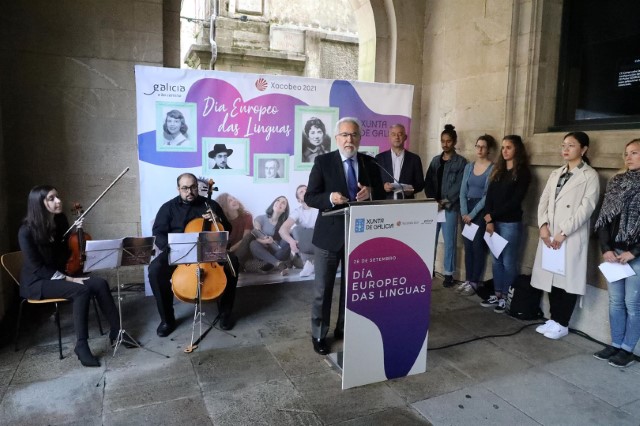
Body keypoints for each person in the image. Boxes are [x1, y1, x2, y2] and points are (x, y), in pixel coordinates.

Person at [304, 117, 385, 355]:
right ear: (337, 138)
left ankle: (344, 328)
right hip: (328, 238)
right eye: (345, 135)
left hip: (359, 236)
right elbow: (310, 197)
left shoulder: (370, 163)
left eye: (354, 135)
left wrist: (370, 192)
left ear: (360, 138)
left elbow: (380, 192)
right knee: (323, 290)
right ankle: (319, 334)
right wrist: (330, 198)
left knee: (353, 288)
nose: (349, 140)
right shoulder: (323, 161)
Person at [18, 185, 124, 367]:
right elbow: (38, 268)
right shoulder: (25, 231)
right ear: (39, 204)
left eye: (57, 197)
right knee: (81, 291)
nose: (58, 201)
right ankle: (81, 346)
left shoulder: (59, 222)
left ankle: (117, 332)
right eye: (51, 198)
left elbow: (64, 254)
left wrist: (75, 236)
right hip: (37, 282)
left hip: (58, 274)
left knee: (100, 283)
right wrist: (71, 279)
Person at [148, 173, 239, 336]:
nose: (189, 191)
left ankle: (225, 313)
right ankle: (167, 319)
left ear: (197, 187)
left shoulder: (210, 205)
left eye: (193, 187)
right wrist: (171, 247)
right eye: (185, 188)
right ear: (178, 189)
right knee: (155, 269)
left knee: (233, 261)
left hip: (210, 250)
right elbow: (158, 233)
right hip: (179, 252)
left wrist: (217, 220)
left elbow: (227, 229)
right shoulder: (168, 208)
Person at [530, 132, 599, 340]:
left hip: (569, 235)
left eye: (571, 145)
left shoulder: (589, 176)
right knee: (552, 276)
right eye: (563, 145)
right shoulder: (556, 174)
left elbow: (586, 209)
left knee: (567, 280)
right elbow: (543, 201)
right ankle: (553, 318)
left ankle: (563, 322)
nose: (566, 149)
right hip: (550, 234)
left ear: (584, 149)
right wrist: (542, 225)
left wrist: (563, 232)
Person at [592, 138, 640, 367]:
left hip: (635, 256)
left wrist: (634, 252)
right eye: (626, 153)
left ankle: (628, 349)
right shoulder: (616, 182)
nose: (628, 157)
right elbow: (604, 219)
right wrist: (606, 249)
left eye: (634, 153)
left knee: (633, 304)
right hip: (615, 252)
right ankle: (616, 343)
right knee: (615, 301)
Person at [481, 135, 531, 313]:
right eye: (503, 147)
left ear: (517, 149)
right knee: (496, 261)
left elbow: (515, 201)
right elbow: (489, 196)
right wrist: (490, 218)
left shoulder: (522, 172)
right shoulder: (498, 170)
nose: (504, 151)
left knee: (508, 261)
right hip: (494, 222)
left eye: (508, 147)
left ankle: (507, 297)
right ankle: (497, 294)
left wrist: (491, 216)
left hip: (510, 223)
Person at [424, 124, 467, 287]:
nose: (445, 144)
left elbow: (459, 186)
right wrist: (432, 201)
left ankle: (448, 273)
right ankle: (429, 269)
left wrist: (444, 202)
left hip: (449, 208)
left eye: (448, 141)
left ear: (454, 142)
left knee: (449, 241)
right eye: (443, 141)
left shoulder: (461, 162)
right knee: (430, 240)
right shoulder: (435, 160)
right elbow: (428, 182)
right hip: (433, 207)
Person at [458, 134, 496, 296]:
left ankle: (475, 281)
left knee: (477, 247)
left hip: (480, 211)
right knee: (468, 247)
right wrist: (464, 211)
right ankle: (467, 280)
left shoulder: (492, 168)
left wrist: (472, 214)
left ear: (488, 150)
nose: (479, 149)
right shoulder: (469, 167)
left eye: (483, 147)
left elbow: (487, 195)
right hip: (466, 208)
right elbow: (462, 191)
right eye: (477, 146)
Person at [374, 123, 425, 200]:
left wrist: (411, 189)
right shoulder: (379, 158)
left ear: (405, 137)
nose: (397, 137)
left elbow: (420, 184)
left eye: (400, 134)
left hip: (406, 204)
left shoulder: (414, 159)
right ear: (389, 137)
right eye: (393, 134)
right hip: (385, 203)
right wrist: (383, 187)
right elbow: (374, 182)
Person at [279, 185, 319, 277]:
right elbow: (282, 230)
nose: (305, 191)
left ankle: (311, 264)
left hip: (322, 241)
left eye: (306, 189)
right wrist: (291, 241)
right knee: (296, 229)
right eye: (301, 192)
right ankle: (309, 263)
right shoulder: (298, 212)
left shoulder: (320, 207)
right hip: (307, 245)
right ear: (299, 200)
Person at [250, 196, 291, 274]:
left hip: (277, 251)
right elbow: (256, 232)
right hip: (262, 251)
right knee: (253, 244)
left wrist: (273, 241)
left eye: (283, 203)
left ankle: (274, 264)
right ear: (273, 204)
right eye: (278, 201)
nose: (279, 203)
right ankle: (278, 264)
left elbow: (282, 245)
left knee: (287, 238)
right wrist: (264, 241)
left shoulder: (284, 224)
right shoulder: (260, 218)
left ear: (284, 210)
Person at [216, 193, 253, 266]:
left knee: (249, 236)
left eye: (234, 198)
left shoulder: (247, 216)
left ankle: (237, 265)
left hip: (241, 250)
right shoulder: (221, 221)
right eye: (230, 201)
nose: (234, 201)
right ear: (224, 206)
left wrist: (230, 249)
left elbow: (245, 239)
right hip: (228, 255)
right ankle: (240, 265)